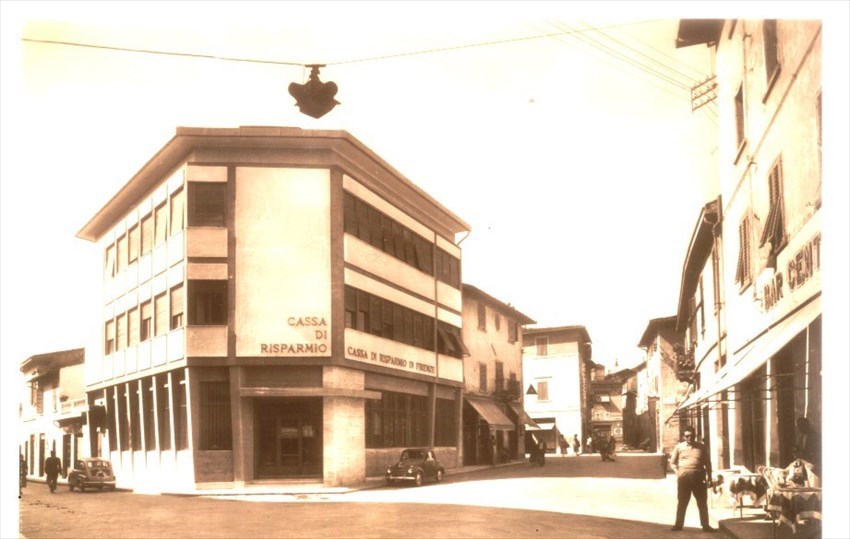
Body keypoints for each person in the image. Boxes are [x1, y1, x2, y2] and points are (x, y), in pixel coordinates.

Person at [669, 426, 716, 532]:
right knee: (682, 501)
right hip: (684, 478)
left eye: (692, 436)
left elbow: (708, 463)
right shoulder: (679, 447)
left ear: (695, 436)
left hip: (699, 477)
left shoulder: (702, 447)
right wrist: (678, 473)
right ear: (684, 437)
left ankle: (706, 526)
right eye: (687, 436)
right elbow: (672, 462)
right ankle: (678, 525)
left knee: (702, 502)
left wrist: (709, 477)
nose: (690, 438)